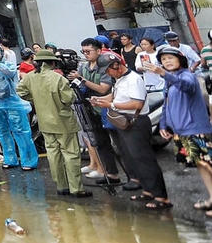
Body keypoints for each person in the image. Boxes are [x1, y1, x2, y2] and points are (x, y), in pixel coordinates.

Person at [91, 56, 170, 210]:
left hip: (136, 122)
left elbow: (136, 103)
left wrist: (110, 104)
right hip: (125, 122)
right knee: (132, 158)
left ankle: (161, 196)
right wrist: (100, 100)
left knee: (144, 160)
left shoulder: (133, 79)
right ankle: (148, 190)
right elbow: (114, 96)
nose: (108, 74)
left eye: (108, 70)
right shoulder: (119, 79)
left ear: (116, 65)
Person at [17, 49, 91, 198]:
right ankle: (76, 188)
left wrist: (35, 98)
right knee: (70, 154)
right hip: (63, 121)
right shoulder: (58, 78)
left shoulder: (31, 77)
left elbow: (20, 91)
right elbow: (68, 99)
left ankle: (61, 186)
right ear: (52, 62)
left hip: (44, 121)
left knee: (53, 154)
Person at [147, 47, 212, 216]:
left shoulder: (186, 75)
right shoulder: (171, 80)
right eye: (164, 59)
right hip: (181, 131)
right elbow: (166, 105)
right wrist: (163, 125)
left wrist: (163, 74)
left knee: (207, 164)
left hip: (196, 129)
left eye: (170, 58)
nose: (167, 61)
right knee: (201, 165)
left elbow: (187, 86)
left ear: (180, 59)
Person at [70, 38, 122, 184]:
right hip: (90, 108)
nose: (86, 54)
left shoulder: (105, 66)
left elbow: (103, 88)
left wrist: (81, 79)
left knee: (119, 143)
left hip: (107, 109)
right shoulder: (84, 67)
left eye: (88, 51)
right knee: (100, 142)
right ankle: (110, 173)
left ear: (99, 51)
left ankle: (133, 176)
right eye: (83, 51)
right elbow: (80, 85)